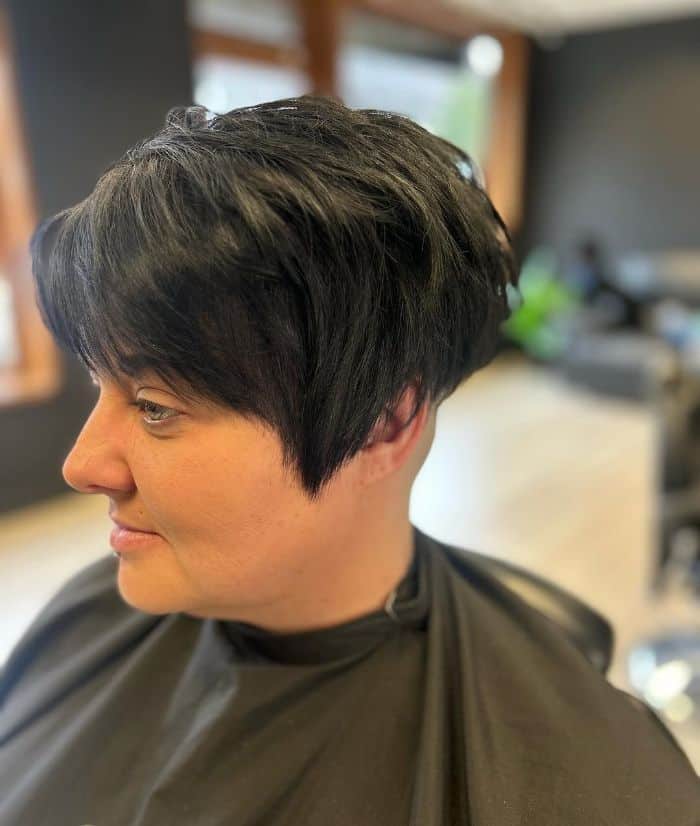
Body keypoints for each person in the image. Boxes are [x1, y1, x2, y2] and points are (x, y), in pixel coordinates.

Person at [0, 95, 697, 826]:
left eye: (154, 407)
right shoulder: (89, 611)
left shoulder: (600, 790)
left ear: (382, 423)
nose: (82, 465)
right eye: (99, 385)